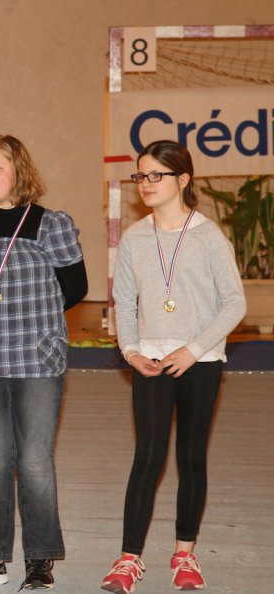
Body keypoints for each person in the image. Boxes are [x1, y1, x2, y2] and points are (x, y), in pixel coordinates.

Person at [100, 141, 245, 594]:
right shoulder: (135, 238)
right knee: (147, 456)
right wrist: (130, 351)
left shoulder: (208, 235)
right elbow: (124, 302)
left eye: (155, 175)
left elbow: (234, 303)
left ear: (182, 180)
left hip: (200, 361)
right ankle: (128, 559)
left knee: (192, 456)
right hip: (151, 362)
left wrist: (193, 349)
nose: (145, 184)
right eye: (141, 176)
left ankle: (184, 553)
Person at [0, 135, 87, 590]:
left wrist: (34, 320)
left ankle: (39, 561)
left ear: (19, 173)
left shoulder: (50, 224)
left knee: (34, 461)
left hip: (36, 361)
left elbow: (76, 287)